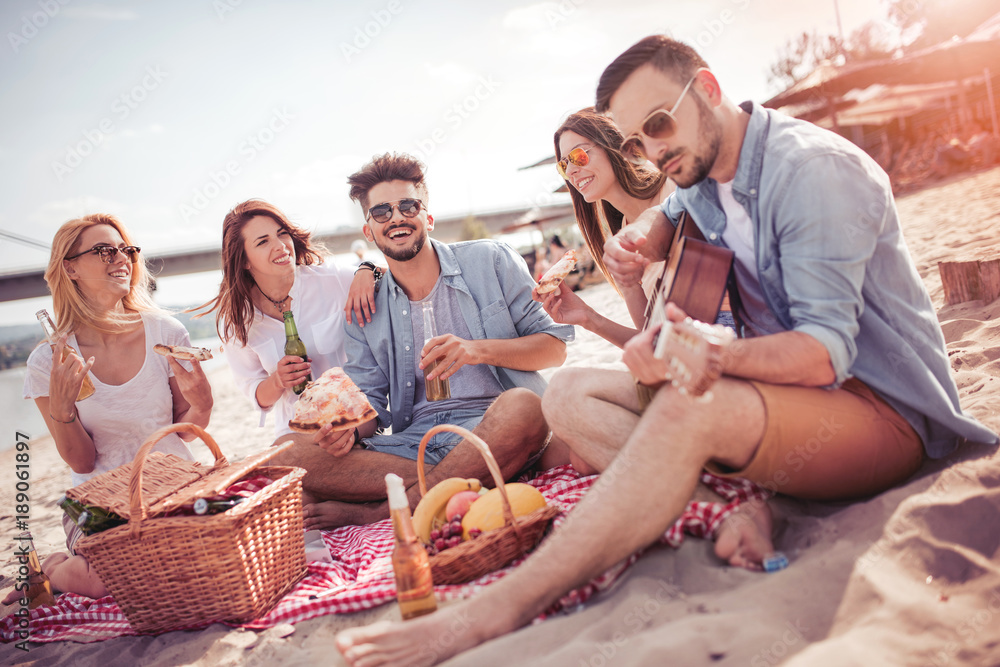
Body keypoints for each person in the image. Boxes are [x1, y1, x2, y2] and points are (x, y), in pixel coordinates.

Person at [334, 36, 998, 666]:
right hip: (787, 408)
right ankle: (736, 503)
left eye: (658, 125)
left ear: (707, 89)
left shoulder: (811, 172)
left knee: (684, 410)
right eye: (632, 140)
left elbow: (825, 355)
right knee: (567, 394)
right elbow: (671, 208)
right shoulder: (704, 172)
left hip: (880, 412)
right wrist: (646, 236)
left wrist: (707, 351)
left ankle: (497, 609)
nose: (649, 152)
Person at [270, 153, 574, 529]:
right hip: (415, 445)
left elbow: (554, 348)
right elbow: (371, 409)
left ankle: (383, 510)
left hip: (493, 424)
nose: (396, 217)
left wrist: (477, 350)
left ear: (427, 217)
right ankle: (467, 478)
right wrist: (347, 432)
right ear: (369, 231)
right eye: (381, 212)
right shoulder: (365, 308)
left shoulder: (490, 261)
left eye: (408, 206)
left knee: (525, 407)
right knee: (283, 454)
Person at [19, 213, 213, 601]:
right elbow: (82, 463)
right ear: (70, 267)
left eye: (126, 250)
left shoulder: (166, 333)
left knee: (199, 562)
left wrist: (203, 402)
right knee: (112, 580)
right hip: (99, 504)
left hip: (172, 488)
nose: (121, 258)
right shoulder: (48, 362)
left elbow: (185, 427)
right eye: (104, 250)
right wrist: (62, 409)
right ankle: (56, 571)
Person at [195, 199, 380, 444]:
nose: (280, 245)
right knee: (278, 460)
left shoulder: (330, 279)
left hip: (353, 416)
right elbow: (257, 395)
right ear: (244, 261)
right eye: (263, 241)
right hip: (296, 429)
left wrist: (368, 270)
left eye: (282, 234)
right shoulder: (237, 322)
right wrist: (278, 380)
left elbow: (395, 280)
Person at [538, 107, 673, 348]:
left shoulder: (673, 190)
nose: (570, 171)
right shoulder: (619, 237)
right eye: (563, 165)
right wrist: (588, 318)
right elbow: (655, 344)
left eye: (578, 156)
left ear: (614, 145)